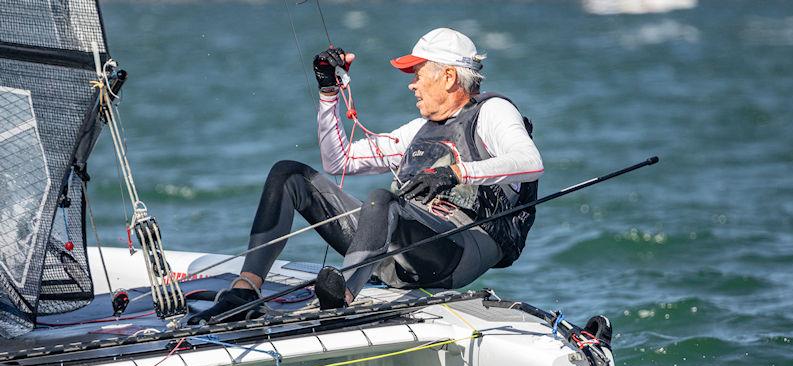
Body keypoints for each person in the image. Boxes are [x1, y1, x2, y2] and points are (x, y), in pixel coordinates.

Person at [188, 27, 543, 325]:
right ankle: (245, 291)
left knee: (381, 199)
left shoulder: (493, 112)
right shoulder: (417, 131)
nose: (412, 85)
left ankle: (340, 296)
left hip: (460, 251)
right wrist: (329, 94)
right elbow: (339, 162)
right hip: (397, 253)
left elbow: (529, 160)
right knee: (288, 174)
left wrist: (455, 173)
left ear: (448, 76)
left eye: (418, 73)